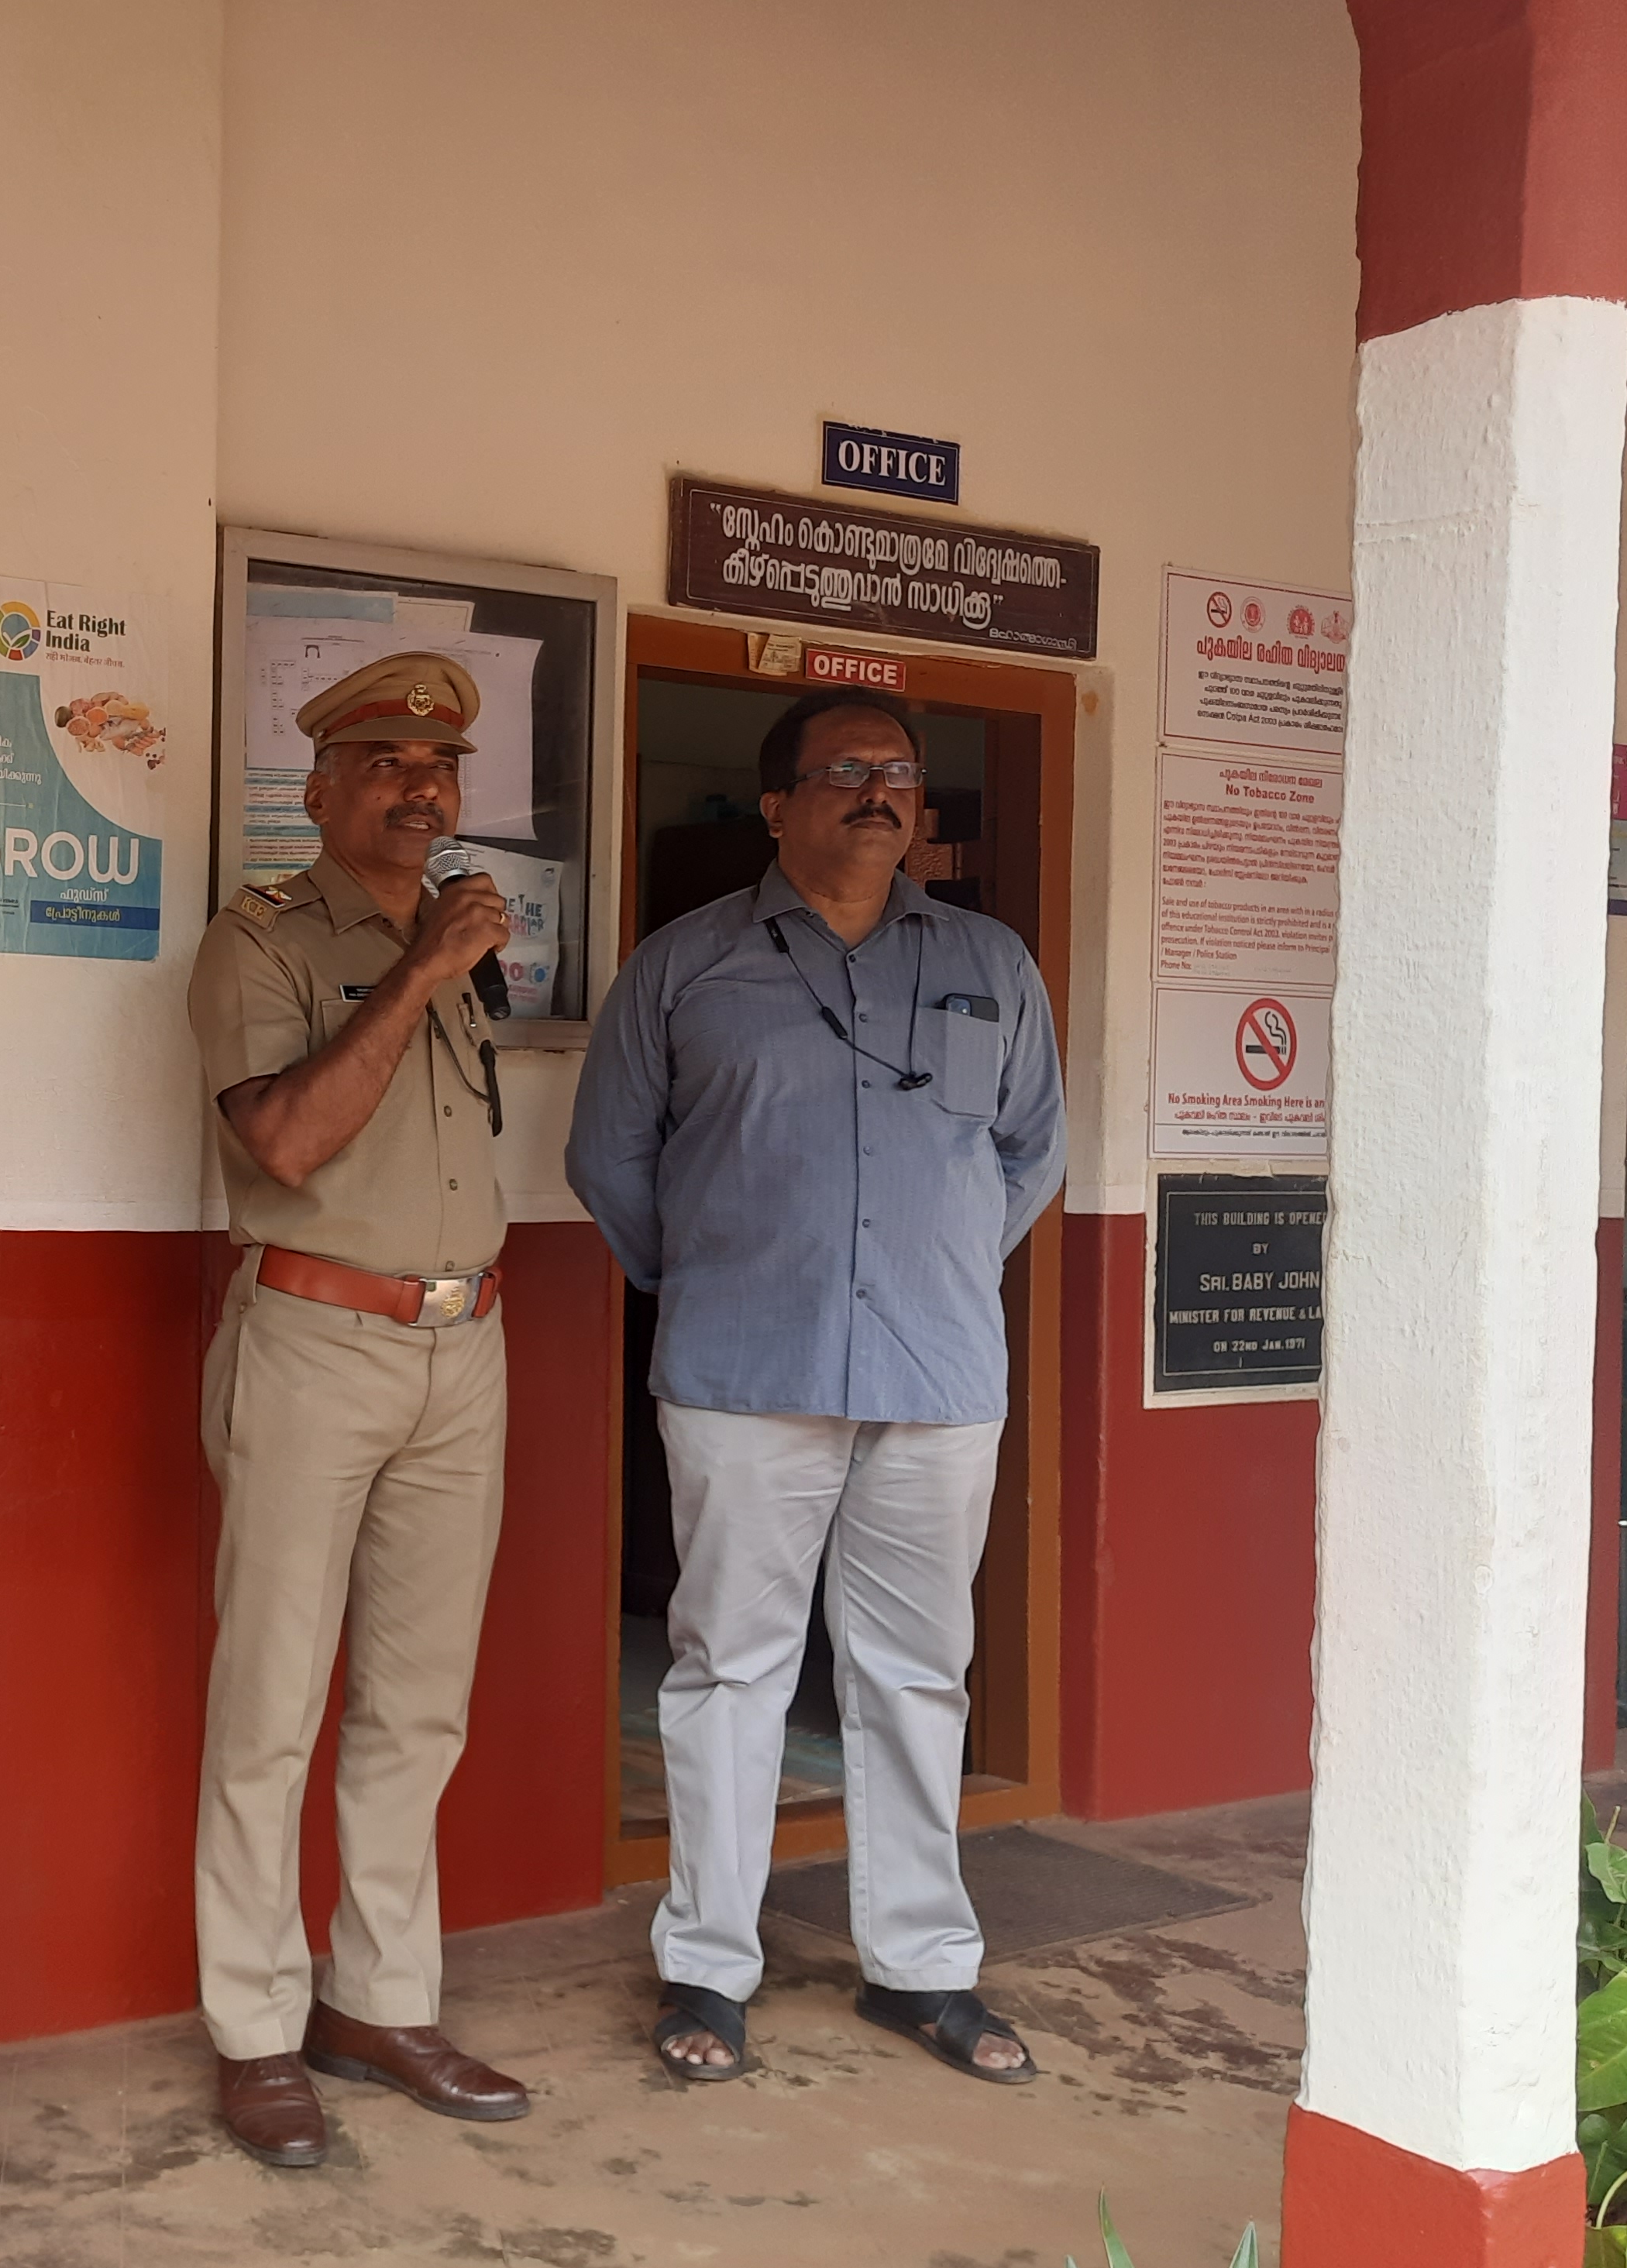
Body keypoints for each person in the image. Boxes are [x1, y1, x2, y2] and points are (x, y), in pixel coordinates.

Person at [562, 686, 1065, 2090]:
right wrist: (725, 1274)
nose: (878, 790)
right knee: (732, 1670)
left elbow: (1030, 1153)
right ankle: (708, 1967)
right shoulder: (685, 966)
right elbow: (610, 1159)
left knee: (917, 1675)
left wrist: (930, 1266)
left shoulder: (989, 962)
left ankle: (921, 1968)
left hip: (936, 1374)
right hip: (744, 1370)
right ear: (778, 805)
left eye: (897, 771)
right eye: (844, 769)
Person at [184, 649, 532, 2170]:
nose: (419, 790)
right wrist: (416, 974)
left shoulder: (453, 931)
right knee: (269, 1708)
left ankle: (380, 2003)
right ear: (319, 791)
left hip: (465, 1347)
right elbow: (284, 1145)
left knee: (418, 1704)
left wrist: (437, 959)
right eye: (386, 764)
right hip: (317, 1342)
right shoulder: (260, 940)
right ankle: (256, 2030)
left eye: (438, 768)